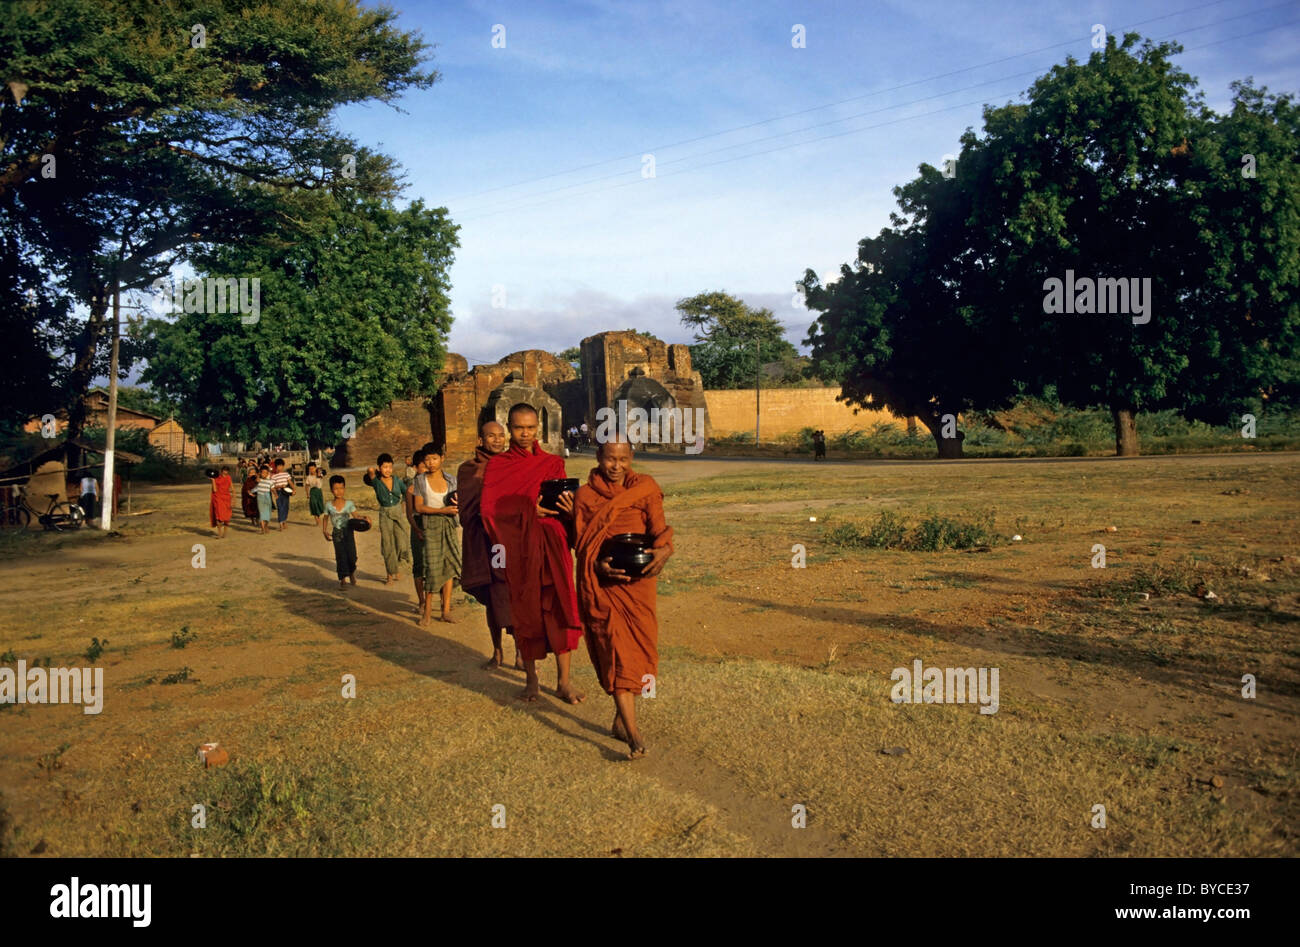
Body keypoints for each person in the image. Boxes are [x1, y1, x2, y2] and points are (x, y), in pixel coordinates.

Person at [571, 440, 673, 759]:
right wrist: (598, 565)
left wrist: (664, 551)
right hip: (605, 582)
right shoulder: (585, 497)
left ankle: (620, 717)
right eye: (610, 459)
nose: (616, 466)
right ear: (598, 458)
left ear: (631, 459)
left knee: (640, 649)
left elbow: (659, 531)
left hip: (639, 582)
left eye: (623, 459)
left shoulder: (645, 488)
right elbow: (583, 544)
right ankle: (633, 733)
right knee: (615, 650)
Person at [480, 404, 584, 704]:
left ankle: (564, 682)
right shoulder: (499, 466)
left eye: (530, 427)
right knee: (525, 612)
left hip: (553, 544)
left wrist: (568, 508)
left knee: (560, 607)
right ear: (509, 427)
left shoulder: (552, 463)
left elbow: (565, 504)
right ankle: (531, 680)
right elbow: (489, 511)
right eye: (518, 428)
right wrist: (529, 509)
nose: (525, 434)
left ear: (537, 426)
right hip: (521, 549)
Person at [458, 420, 520, 669]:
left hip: (507, 542)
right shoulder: (468, 469)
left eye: (500, 436)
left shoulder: (512, 466)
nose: (496, 440)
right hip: (483, 542)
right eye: (490, 436)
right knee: (493, 596)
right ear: (480, 440)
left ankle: (520, 652)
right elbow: (466, 511)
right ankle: (497, 651)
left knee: (512, 595)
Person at [411, 446, 462, 626]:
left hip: (449, 524)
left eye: (434, 458)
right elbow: (418, 507)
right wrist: (442, 510)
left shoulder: (452, 480)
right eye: (427, 460)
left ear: (442, 458)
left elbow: (457, 502)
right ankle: (426, 612)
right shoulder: (420, 480)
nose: (430, 463)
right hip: (430, 525)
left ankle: (445, 610)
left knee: (449, 567)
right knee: (432, 568)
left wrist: (454, 509)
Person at [363, 453, 411, 585]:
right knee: (387, 544)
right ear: (379, 468)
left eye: (390, 467)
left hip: (397, 512)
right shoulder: (376, 482)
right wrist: (375, 472)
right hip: (384, 514)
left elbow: (406, 492)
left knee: (401, 541)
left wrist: (405, 507)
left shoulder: (397, 480)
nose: (388, 470)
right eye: (385, 467)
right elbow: (370, 471)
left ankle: (396, 567)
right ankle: (390, 574)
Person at [322, 474, 369, 588]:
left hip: (348, 531)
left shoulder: (349, 504)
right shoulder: (328, 505)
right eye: (336, 489)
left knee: (352, 555)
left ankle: (352, 573)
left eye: (341, 488)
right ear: (331, 490)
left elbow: (356, 516)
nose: (339, 491)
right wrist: (324, 531)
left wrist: (365, 518)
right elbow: (325, 518)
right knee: (340, 555)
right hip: (336, 533)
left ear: (344, 488)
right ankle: (342, 579)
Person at [405, 450, 430, 615]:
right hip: (418, 525)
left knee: (435, 564)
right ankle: (422, 601)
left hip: (433, 524)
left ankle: (441, 601)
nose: (427, 468)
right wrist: (416, 529)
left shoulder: (434, 485)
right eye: (423, 466)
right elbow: (409, 513)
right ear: (415, 468)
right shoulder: (412, 489)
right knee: (419, 565)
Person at [209, 466, 233, 538]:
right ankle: (219, 533)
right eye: (224, 471)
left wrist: (234, 498)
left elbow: (232, 488)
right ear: (221, 471)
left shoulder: (229, 477)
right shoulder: (216, 478)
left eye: (226, 471)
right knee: (218, 516)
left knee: (226, 517)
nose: (225, 472)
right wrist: (213, 480)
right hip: (218, 499)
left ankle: (225, 533)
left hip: (227, 499)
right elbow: (215, 490)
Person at [271, 458, 292, 531]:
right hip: (279, 493)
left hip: (285, 492)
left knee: (286, 507)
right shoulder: (273, 476)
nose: (279, 468)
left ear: (283, 466)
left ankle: (284, 521)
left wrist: (294, 489)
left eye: (281, 466)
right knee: (280, 508)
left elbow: (290, 482)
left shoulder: (286, 474)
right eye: (278, 466)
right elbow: (272, 487)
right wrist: (276, 493)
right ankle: (280, 523)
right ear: (275, 467)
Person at [254, 464, 274, 534]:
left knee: (268, 513)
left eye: (265, 473)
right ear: (260, 473)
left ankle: (266, 526)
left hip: (267, 497)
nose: (264, 474)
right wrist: (259, 476)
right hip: (260, 497)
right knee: (262, 513)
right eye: (262, 472)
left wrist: (276, 495)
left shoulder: (270, 481)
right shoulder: (259, 480)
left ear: (268, 473)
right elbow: (256, 480)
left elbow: (273, 489)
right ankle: (262, 529)